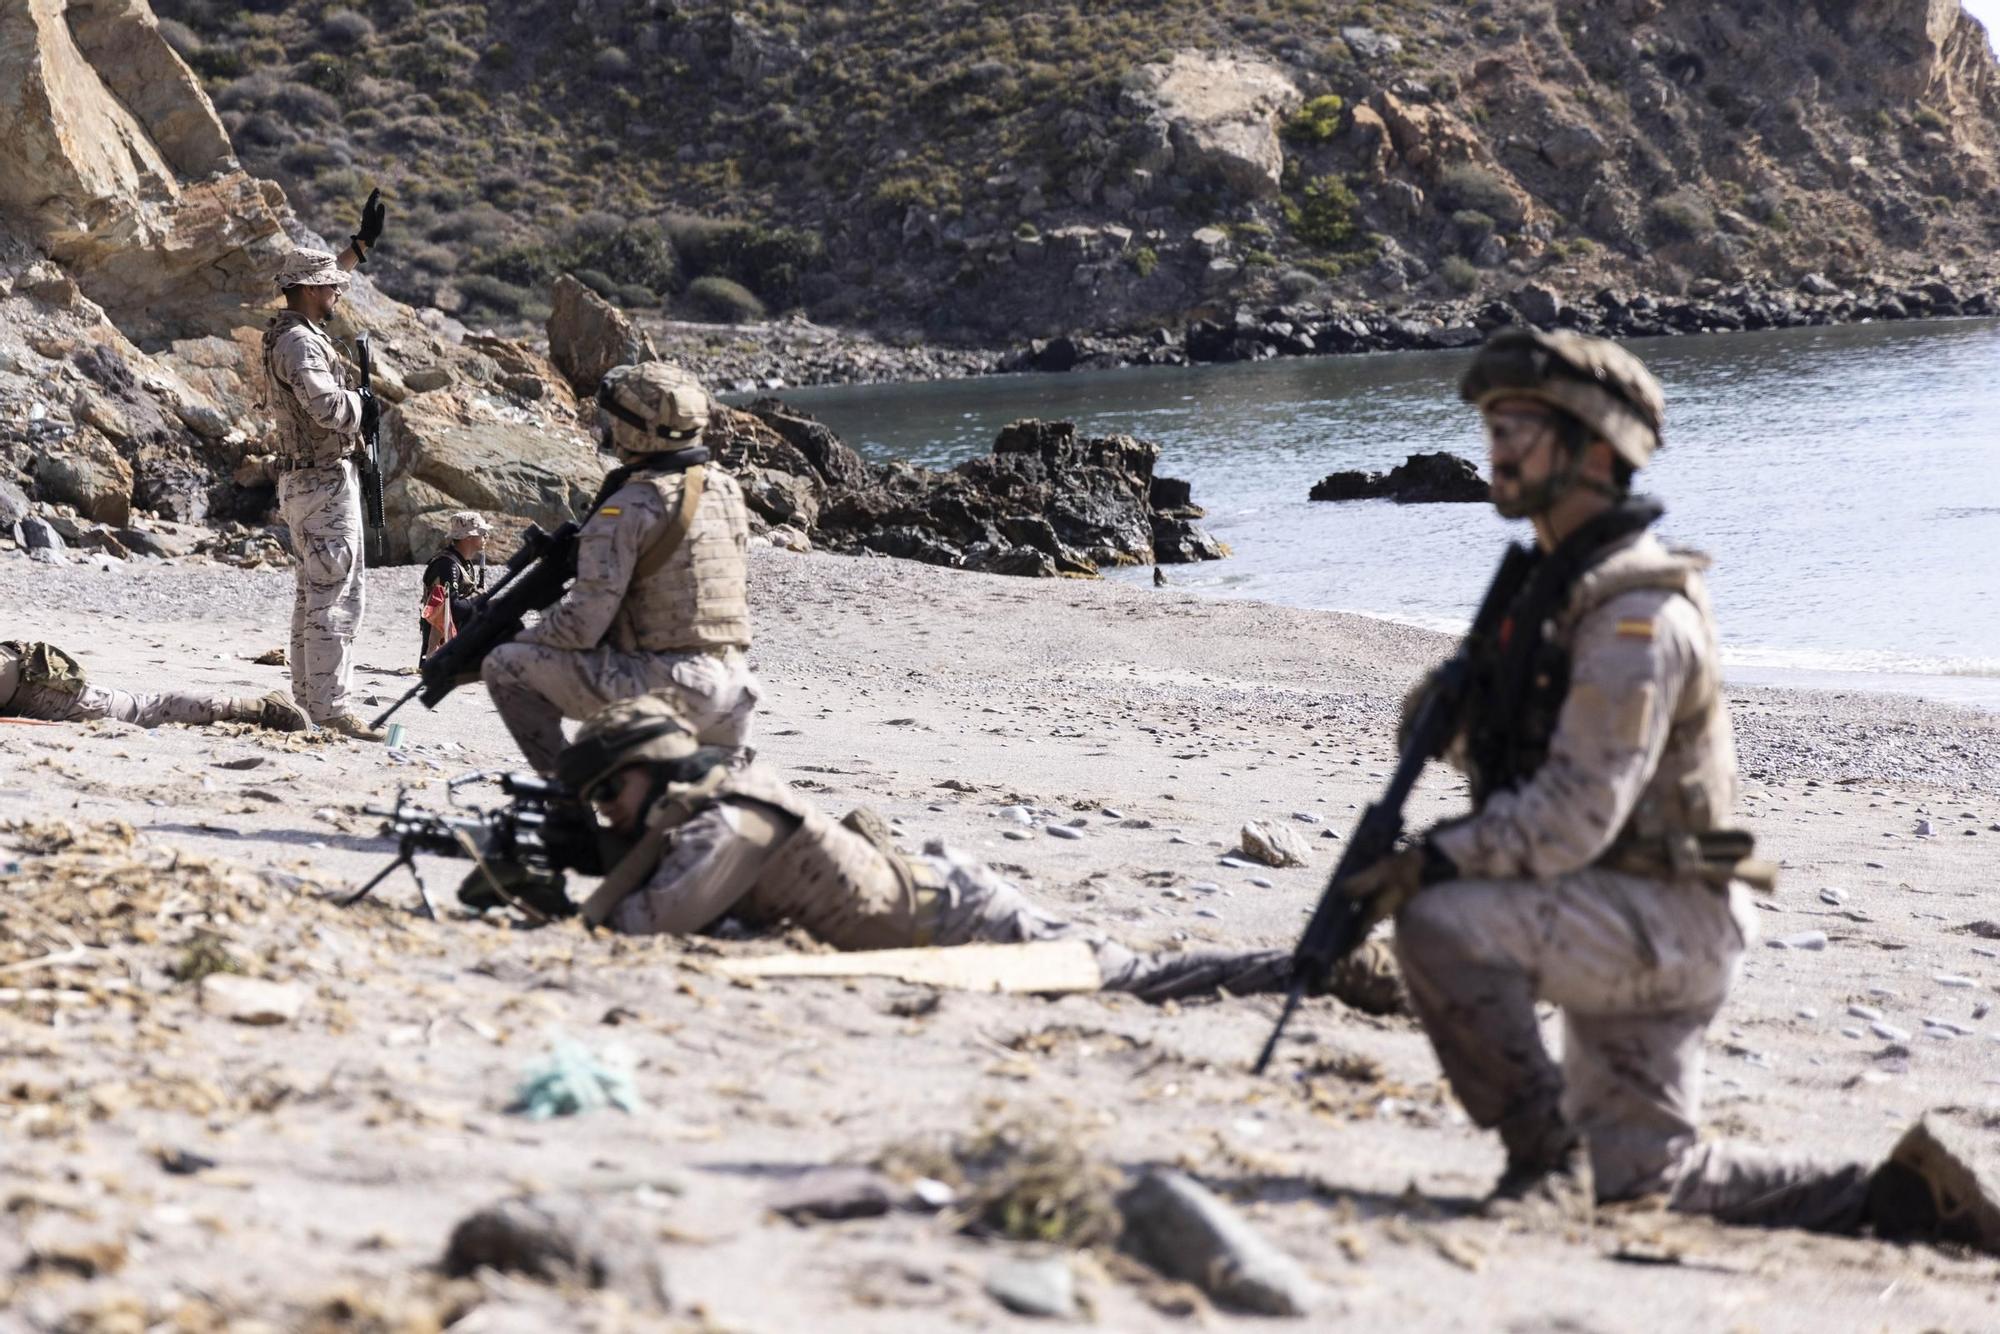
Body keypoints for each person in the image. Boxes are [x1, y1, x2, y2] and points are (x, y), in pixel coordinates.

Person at [1335, 328, 1997, 1250]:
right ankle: (1895, 1201)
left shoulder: (1637, 616)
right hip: (1629, 907)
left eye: (1519, 427)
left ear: (1595, 453)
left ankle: (1543, 1160)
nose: (1496, 450)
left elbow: (1573, 815)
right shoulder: (1559, 596)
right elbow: (1473, 746)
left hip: (1661, 916)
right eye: (1492, 426)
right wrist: (1458, 705)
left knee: (1441, 920)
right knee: (1642, 1179)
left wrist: (1430, 864)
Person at [534, 696, 1404, 1011]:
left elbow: (653, 922)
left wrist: (602, 874)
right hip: (939, 916)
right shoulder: (702, 816)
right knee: (1134, 969)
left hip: (960, 921)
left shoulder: (737, 819)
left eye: (609, 793)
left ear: (650, 775)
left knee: (1135, 980)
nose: (607, 814)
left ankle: (1323, 967)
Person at [481, 363, 761, 776]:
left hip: (670, 688)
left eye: (615, 418)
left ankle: (570, 798)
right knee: (694, 827)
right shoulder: (723, 488)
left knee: (504, 666)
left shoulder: (628, 507)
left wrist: (517, 637)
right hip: (735, 688)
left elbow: (582, 627)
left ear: (635, 431)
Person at [262, 188, 388, 741]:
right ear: (310, 290)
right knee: (334, 596)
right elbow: (329, 408)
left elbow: (324, 276)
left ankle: (309, 704)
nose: (339, 292)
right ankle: (331, 709)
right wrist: (367, 405)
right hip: (320, 480)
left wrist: (357, 249)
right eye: (332, 287)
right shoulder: (301, 346)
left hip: (307, 480)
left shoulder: (294, 328)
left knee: (313, 594)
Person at [1, 640, 310, 732]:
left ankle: (258, 709)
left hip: (29, 681)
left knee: (145, 710)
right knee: (142, 707)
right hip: (23, 673)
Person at [419, 511, 489, 662]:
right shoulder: (448, 564)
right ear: (468, 537)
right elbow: (452, 608)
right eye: (482, 532)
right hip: (441, 643)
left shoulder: (462, 562)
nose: (486, 537)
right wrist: (479, 598)